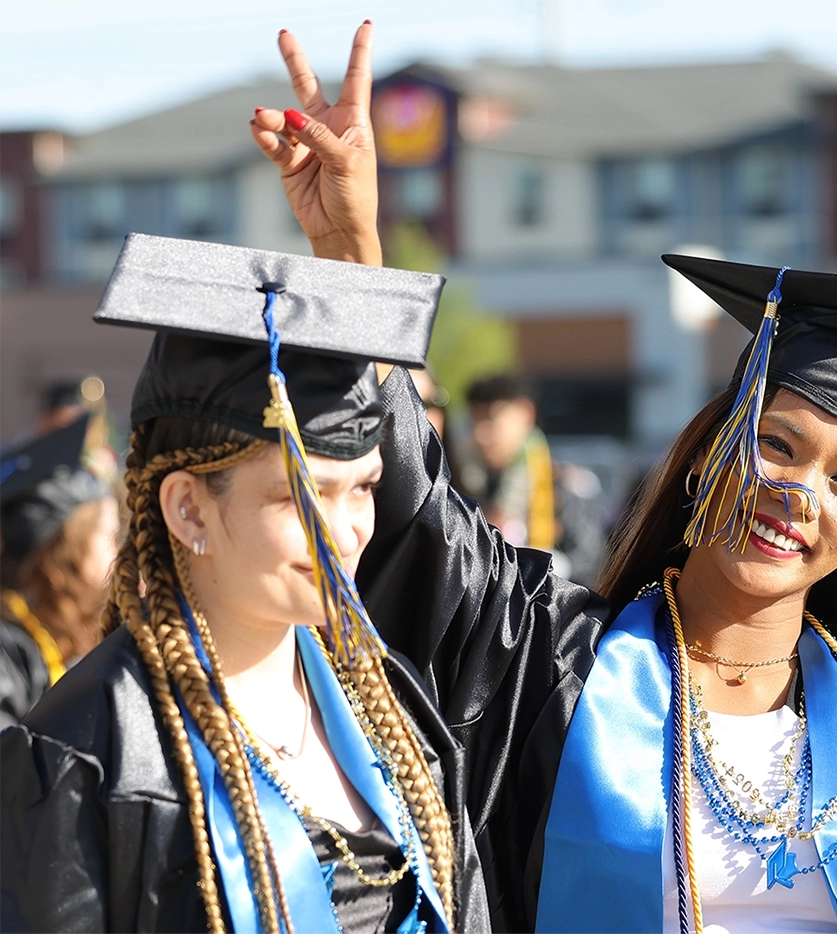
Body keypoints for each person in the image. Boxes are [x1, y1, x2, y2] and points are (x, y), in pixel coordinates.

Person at [252, 25, 837, 933]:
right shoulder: (548, 660)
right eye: (778, 444)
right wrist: (352, 253)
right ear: (701, 461)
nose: (801, 493)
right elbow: (415, 516)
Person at [0, 232, 489, 933]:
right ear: (188, 508)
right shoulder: (90, 750)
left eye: (363, 488)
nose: (345, 531)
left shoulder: (389, 706)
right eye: (301, 497)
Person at [0, 415, 118, 727]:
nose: (119, 555)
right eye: (109, 537)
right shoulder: (7, 656)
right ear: (64, 556)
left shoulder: (57, 640)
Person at [456, 372, 607, 585]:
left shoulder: (564, 486)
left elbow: (593, 567)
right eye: (475, 420)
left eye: (490, 419)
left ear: (526, 413)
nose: (481, 434)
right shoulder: (465, 487)